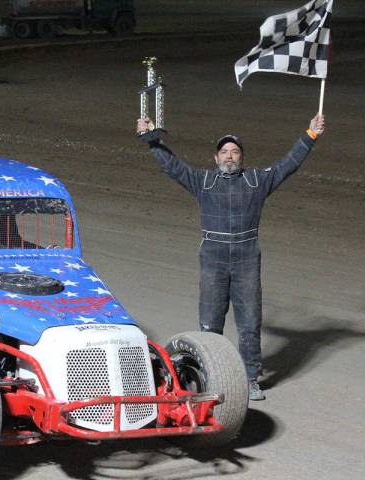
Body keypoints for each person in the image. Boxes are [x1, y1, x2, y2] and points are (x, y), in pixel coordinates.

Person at [137, 114, 325, 401]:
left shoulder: (257, 181)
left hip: (247, 258)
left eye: (235, 152)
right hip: (212, 258)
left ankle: (250, 379)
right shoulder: (203, 182)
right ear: (215, 157)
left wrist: (310, 134)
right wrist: (151, 139)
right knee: (210, 323)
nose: (229, 156)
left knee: (250, 322)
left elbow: (289, 164)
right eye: (224, 152)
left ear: (241, 157)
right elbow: (172, 166)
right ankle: (209, 376)